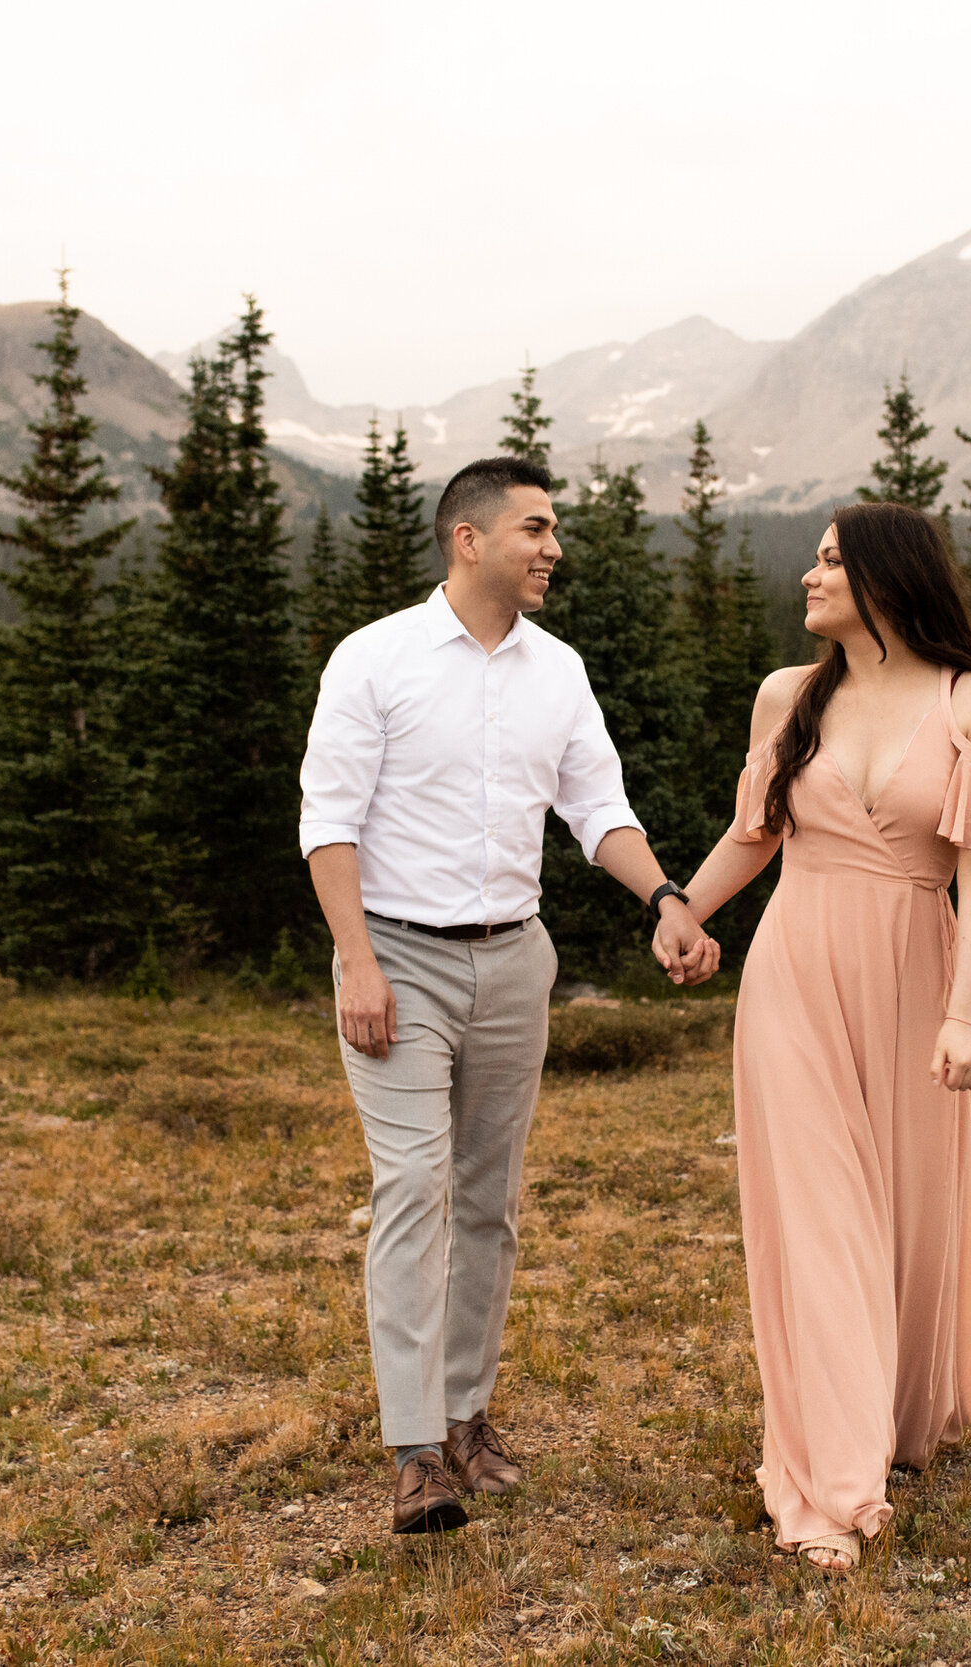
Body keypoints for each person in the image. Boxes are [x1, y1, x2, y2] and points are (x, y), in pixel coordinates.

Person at [299, 455, 719, 1535]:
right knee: (412, 1186)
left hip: (514, 958)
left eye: (555, 529)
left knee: (489, 1199)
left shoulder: (559, 670)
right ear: (468, 538)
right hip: (397, 956)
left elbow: (597, 806)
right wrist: (354, 956)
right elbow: (329, 820)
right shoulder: (375, 659)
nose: (554, 547)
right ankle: (411, 1451)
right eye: (535, 527)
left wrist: (666, 896)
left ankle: (467, 1416)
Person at [670, 501, 971, 1571]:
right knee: (821, 1211)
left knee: (907, 1206)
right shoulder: (788, 696)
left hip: (916, 968)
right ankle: (831, 1478)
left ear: (884, 575)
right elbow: (756, 833)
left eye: (829, 559)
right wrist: (681, 909)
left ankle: (898, 1416)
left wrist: (965, 1011)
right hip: (794, 970)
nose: (807, 576)